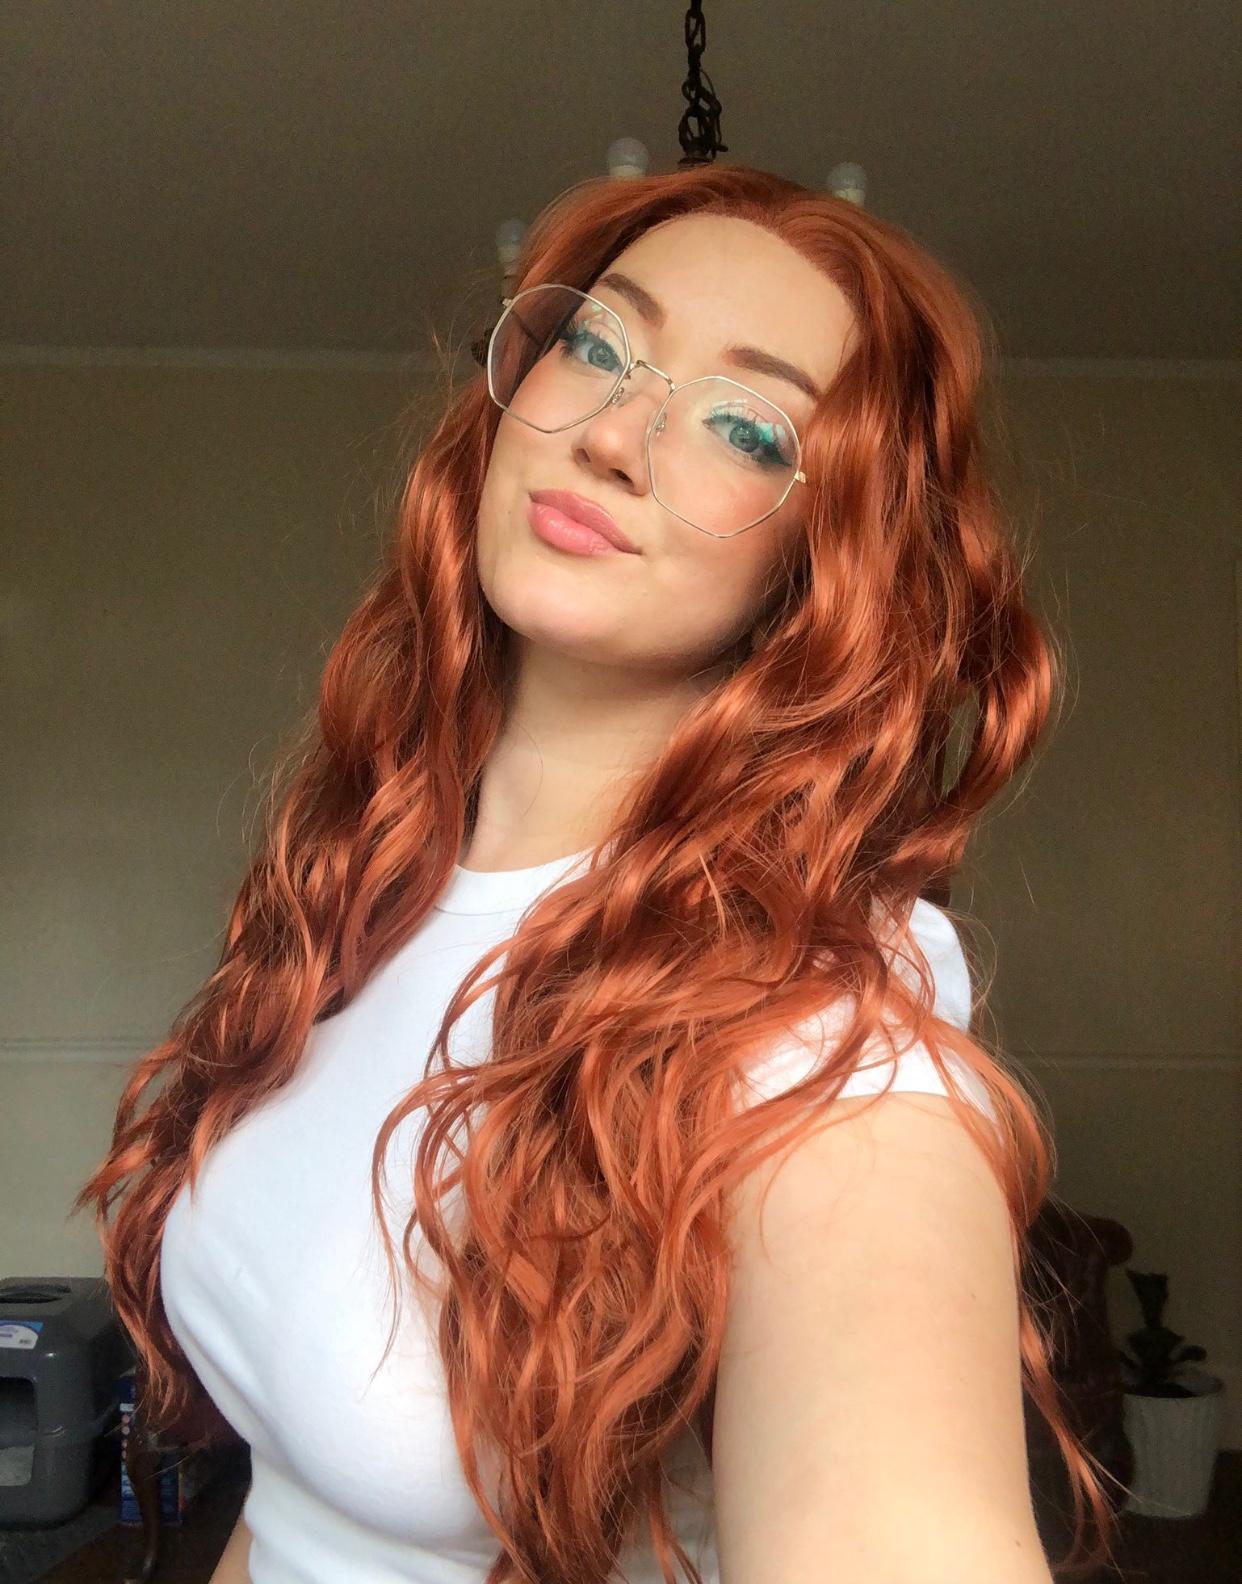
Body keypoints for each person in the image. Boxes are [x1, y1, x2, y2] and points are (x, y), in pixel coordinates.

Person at [76, 163, 1115, 1584]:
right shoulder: (371, 885)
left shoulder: (823, 1051)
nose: (617, 435)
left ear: (827, 559)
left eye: (745, 426)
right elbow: (296, 1501)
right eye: (598, 345)